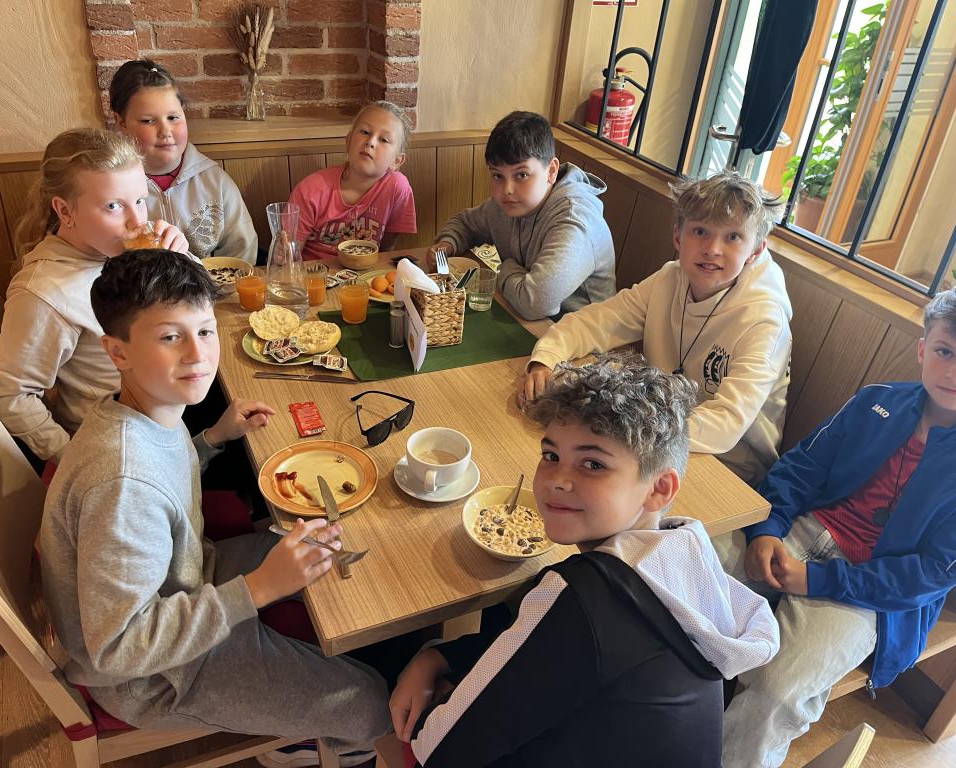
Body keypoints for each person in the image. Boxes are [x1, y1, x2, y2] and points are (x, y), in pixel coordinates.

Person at [38, 249, 390, 768]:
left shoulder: (145, 409)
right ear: (117, 352)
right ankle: (299, 742)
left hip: (188, 583)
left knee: (333, 547)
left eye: (204, 331)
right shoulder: (121, 483)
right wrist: (259, 588)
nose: (198, 354)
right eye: (169, 337)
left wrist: (211, 439)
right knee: (371, 701)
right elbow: (118, 647)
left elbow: (161, 486)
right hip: (154, 676)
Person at [389, 355, 779, 768]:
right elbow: (548, 646)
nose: (557, 479)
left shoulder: (586, 596)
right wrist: (442, 657)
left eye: (593, 464)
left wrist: (435, 696)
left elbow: (437, 750)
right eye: (551, 455)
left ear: (659, 489)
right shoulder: (683, 550)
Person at [717, 288, 956, 768]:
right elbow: (800, 468)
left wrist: (818, 580)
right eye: (944, 351)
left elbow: (929, 575)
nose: (952, 371)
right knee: (679, 570)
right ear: (922, 349)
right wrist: (767, 529)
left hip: (871, 592)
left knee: (778, 689)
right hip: (799, 531)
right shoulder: (876, 402)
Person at [521, 171, 791, 485]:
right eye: (700, 231)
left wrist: (627, 430)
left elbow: (726, 425)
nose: (712, 249)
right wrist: (545, 360)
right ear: (678, 236)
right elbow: (595, 322)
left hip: (729, 467)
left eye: (732, 237)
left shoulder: (764, 319)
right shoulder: (670, 278)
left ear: (756, 250)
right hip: (652, 439)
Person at [0, 128, 189, 463]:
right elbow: (12, 395)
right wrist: (74, 460)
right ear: (65, 211)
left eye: (140, 201)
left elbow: (193, 311)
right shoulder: (45, 293)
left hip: (166, 406)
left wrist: (179, 258)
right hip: (121, 446)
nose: (137, 221)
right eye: (113, 206)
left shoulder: (112, 252)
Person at [426, 111, 615, 320]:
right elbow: (465, 223)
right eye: (498, 176)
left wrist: (505, 268)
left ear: (551, 171)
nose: (507, 190)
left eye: (521, 175)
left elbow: (535, 303)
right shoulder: (506, 206)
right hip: (526, 320)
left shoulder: (574, 219)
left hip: (585, 336)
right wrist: (447, 244)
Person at [111, 59, 259, 262]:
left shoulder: (215, 181)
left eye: (173, 118)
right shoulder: (111, 191)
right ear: (121, 122)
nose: (165, 131)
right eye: (148, 121)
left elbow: (242, 252)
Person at [289, 100, 417, 260]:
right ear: (348, 141)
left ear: (397, 161)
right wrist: (281, 254)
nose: (371, 142)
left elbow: (386, 250)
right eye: (365, 132)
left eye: (384, 140)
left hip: (367, 272)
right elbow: (290, 257)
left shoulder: (397, 187)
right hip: (315, 272)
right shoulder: (310, 190)